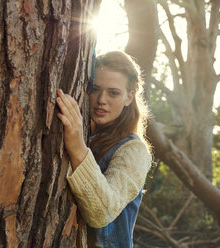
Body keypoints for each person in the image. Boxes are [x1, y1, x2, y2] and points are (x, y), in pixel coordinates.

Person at [56, 51, 152, 247]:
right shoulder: (89, 135)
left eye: (113, 93)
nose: (101, 100)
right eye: (94, 89)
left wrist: (77, 147)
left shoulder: (134, 151)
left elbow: (103, 212)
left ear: (129, 97)